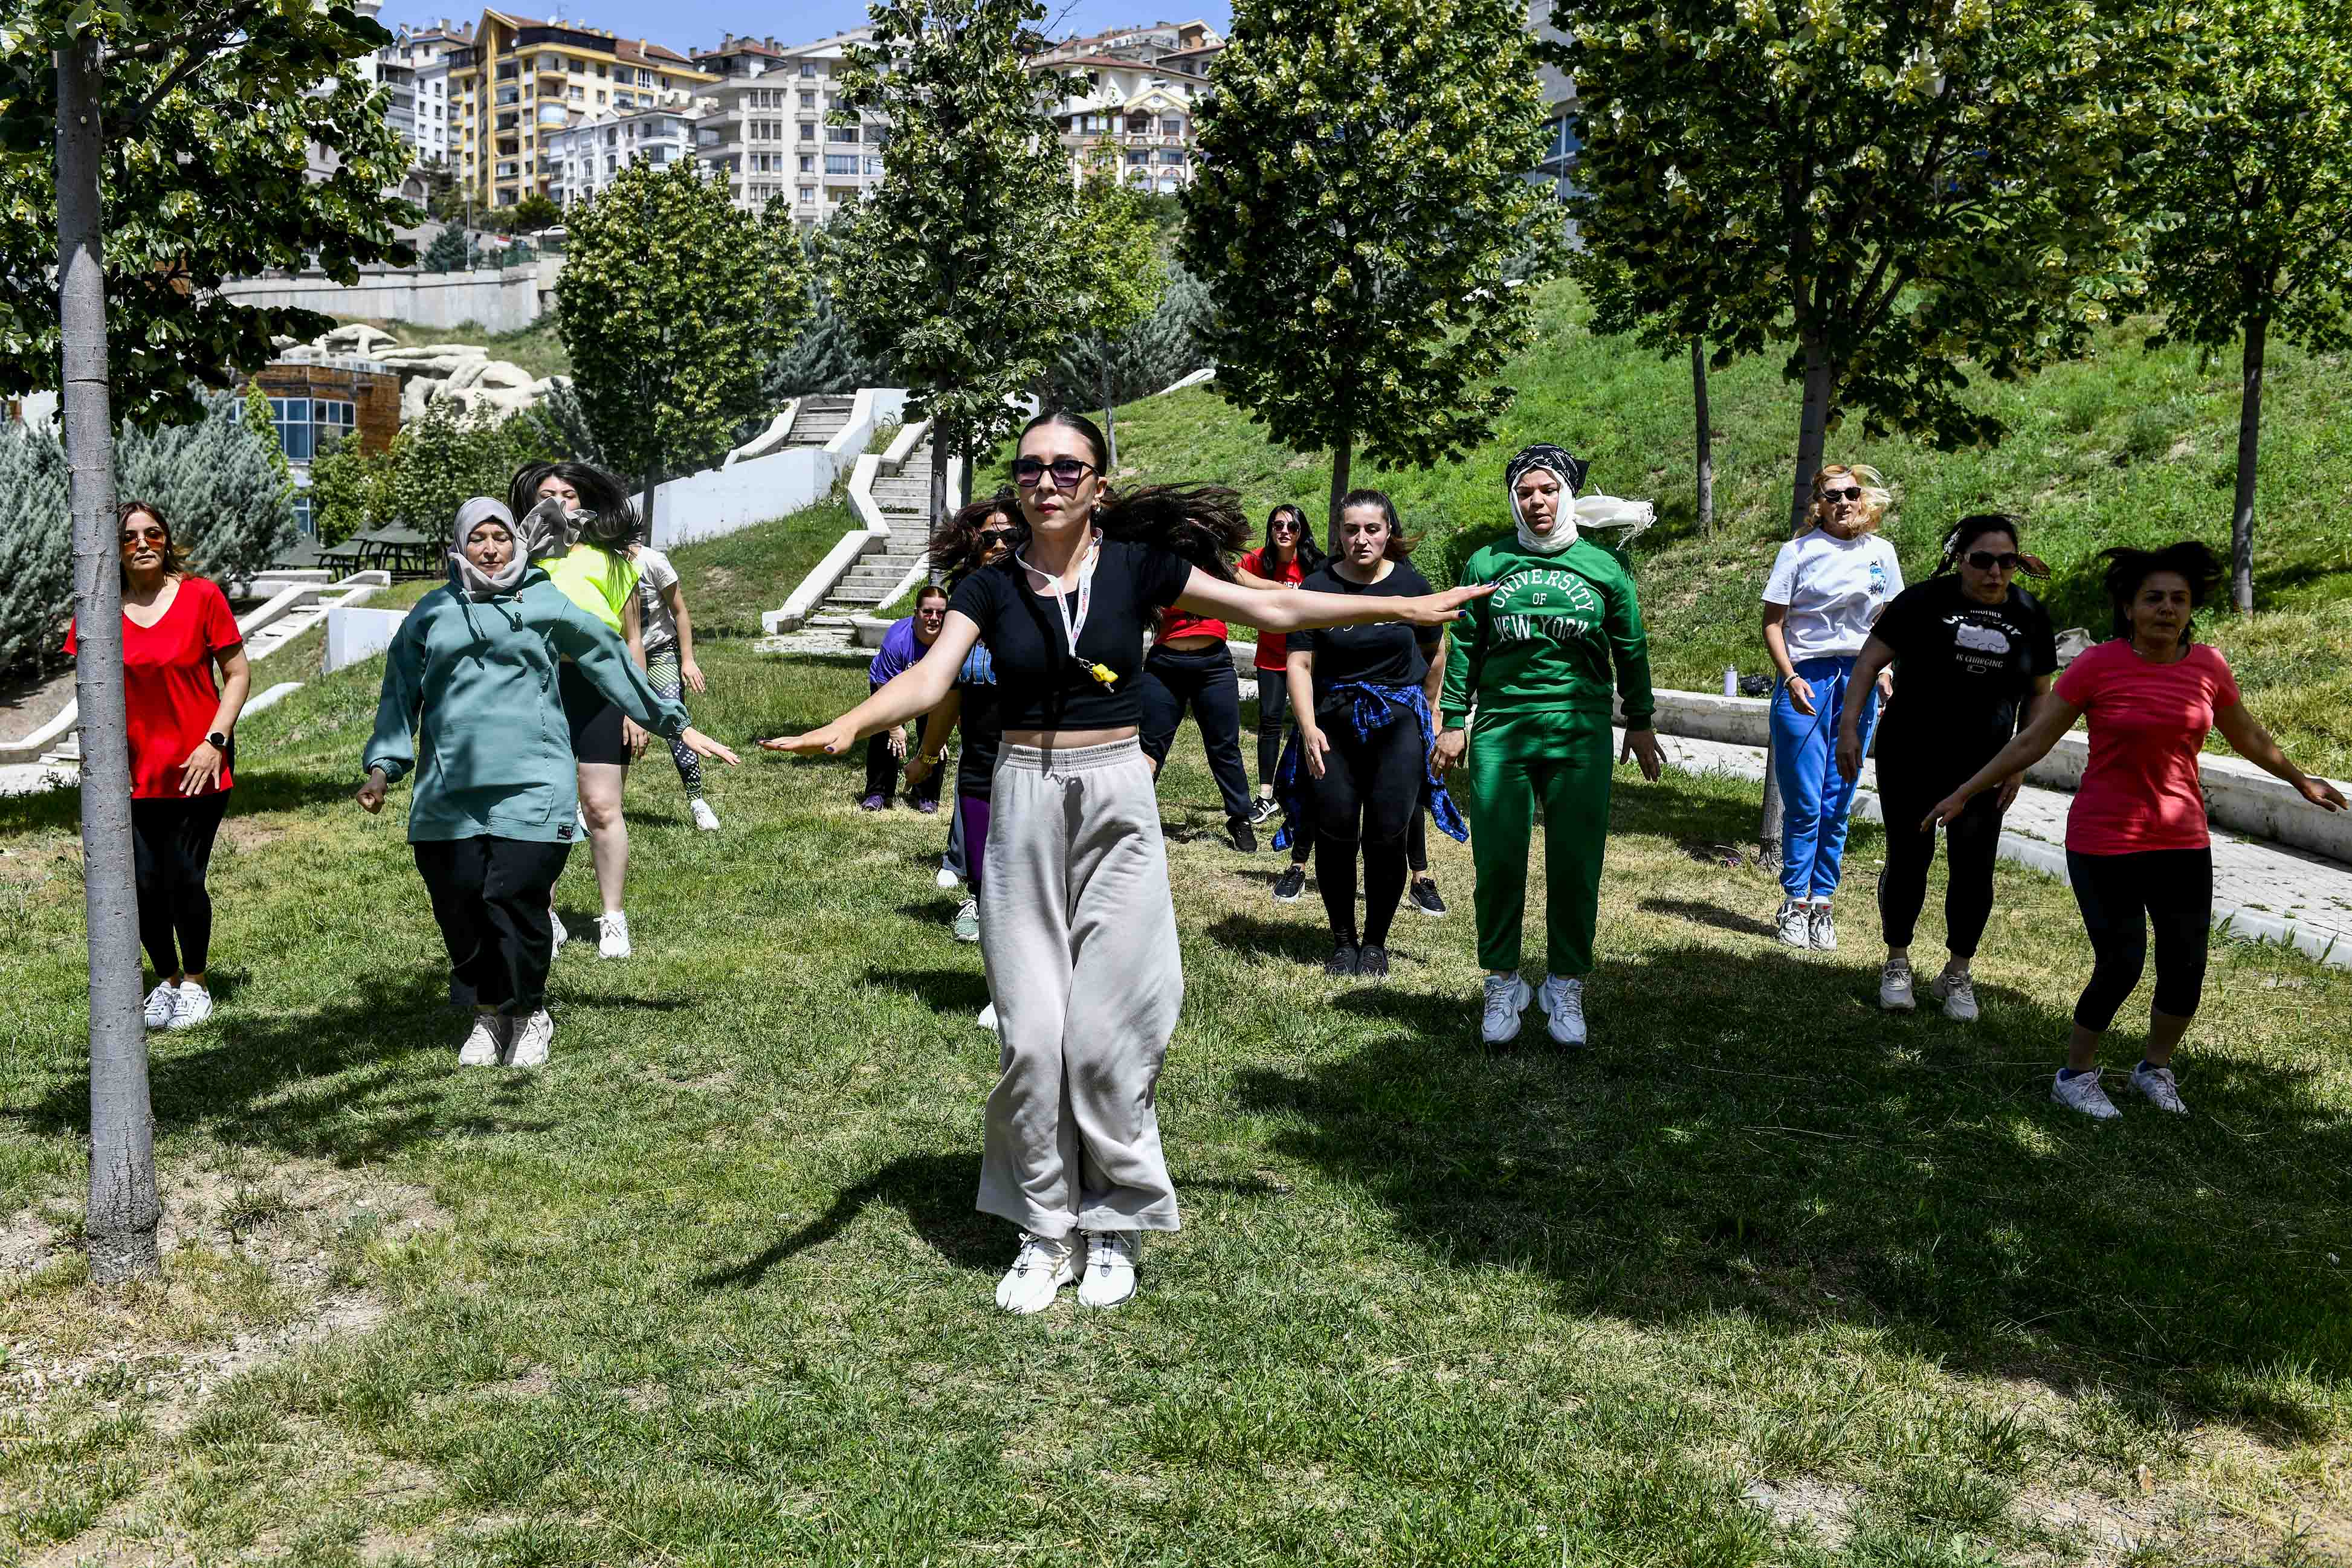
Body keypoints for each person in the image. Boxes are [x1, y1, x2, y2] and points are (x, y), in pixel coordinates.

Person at [764, 409, 1489, 1315]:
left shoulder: (1143, 569)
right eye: (1031, 468)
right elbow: (930, 676)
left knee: (1108, 1038)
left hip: (1114, 793)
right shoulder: (991, 586)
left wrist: (1402, 605)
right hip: (1024, 799)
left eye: (1068, 467)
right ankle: (1043, 1225)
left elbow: (1272, 606)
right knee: (1032, 1039)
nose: (1048, 481)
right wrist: (853, 722)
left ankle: (1112, 1219)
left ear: (1100, 483)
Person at [1928, 541, 2344, 1118]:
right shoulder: (2097, 666)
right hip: (2105, 838)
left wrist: (2302, 781)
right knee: (2121, 962)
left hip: (2182, 839)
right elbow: (2033, 740)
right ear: (2128, 607)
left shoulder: (2208, 667)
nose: (2167, 609)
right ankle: (2074, 1075)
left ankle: (2155, 1068)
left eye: (2179, 599)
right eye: (2153, 598)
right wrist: (1964, 791)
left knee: (2186, 965)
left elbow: (2247, 735)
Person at [358, 500, 738, 1066]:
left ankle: (529, 1012)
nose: (491, 549)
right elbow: (399, 692)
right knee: (459, 904)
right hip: (448, 791)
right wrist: (384, 767)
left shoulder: (541, 600)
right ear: (460, 546)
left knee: (514, 898)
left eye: (501, 537)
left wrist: (672, 721)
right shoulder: (432, 613)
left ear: (517, 542)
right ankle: (490, 1013)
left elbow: (609, 657)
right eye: (478, 539)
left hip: (532, 783)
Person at [1435, 445, 1664, 1047]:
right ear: (1514, 498)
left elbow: (1631, 646)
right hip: (1501, 730)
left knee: (1574, 861)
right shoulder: (1486, 560)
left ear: (1567, 495)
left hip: (1579, 729)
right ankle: (1503, 981)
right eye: (1526, 492)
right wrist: (1454, 718)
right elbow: (1464, 644)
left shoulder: (1604, 567)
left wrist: (1638, 721)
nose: (1538, 501)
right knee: (1499, 860)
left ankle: (1564, 983)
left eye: (1548, 490)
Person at [1838, 514, 2055, 1020]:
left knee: (1975, 867)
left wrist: (2020, 760)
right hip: (1911, 754)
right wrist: (1851, 727)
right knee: (1910, 857)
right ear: (1961, 558)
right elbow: (1869, 662)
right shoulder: (1922, 602)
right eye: (1983, 560)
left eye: (2007, 561)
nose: (1995, 572)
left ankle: (1957, 972)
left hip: (1986, 766)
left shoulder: (2030, 615)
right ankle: (1897, 960)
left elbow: (2039, 694)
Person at [65, 502, 251, 1033]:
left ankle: (196, 982)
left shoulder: (201, 597)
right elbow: (89, 691)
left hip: (200, 763)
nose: (142, 543)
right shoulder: (98, 608)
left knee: (185, 877)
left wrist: (215, 740)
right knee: (144, 884)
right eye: (128, 537)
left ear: (167, 541)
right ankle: (166, 980)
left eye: (152, 534)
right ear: (114, 546)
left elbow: (237, 674)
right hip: (130, 772)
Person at [1276, 489, 1464, 979]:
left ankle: (1376, 942)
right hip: (1332, 724)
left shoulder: (1410, 585)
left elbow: (1436, 649)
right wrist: (1307, 724)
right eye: (1352, 529)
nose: (1362, 539)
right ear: (1338, 534)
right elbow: (1298, 663)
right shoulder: (1316, 587)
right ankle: (1343, 940)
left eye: (1372, 529)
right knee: (1336, 832)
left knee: (1387, 834)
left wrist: (1431, 710)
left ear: (1388, 532)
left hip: (1397, 724)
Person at [1761, 463, 1903, 951]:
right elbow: (1773, 624)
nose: (1844, 501)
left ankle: (1823, 902)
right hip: (1807, 680)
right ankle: (1794, 903)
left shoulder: (1881, 553)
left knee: (1837, 801)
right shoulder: (1798, 552)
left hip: (1859, 679)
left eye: (1851, 492)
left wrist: (1884, 672)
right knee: (1803, 802)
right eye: (1832, 495)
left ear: (1863, 498)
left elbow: (1891, 622)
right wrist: (1791, 677)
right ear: (1817, 505)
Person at [510, 461, 648, 960]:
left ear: (583, 501)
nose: (558, 502)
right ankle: (543, 915)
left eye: (567, 493)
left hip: (599, 685)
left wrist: (636, 707)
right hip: (537, 688)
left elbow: (633, 639)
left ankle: (613, 917)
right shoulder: (518, 562)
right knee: (540, 809)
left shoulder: (611, 560)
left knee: (602, 807)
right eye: (547, 494)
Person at [907, 495, 1020, 991]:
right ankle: (977, 899)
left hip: (1032, 761)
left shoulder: (1040, 599)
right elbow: (948, 695)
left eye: (1008, 536)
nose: (998, 544)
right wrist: (927, 758)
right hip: (979, 763)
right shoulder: (964, 611)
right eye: (989, 537)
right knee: (980, 859)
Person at [1137, 580, 1258, 855]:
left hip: (1214, 665)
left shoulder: (1215, 565)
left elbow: (1256, 586)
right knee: (1149, 747)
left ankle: (1240, 818)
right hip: (1166, 665)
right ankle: (1131, 815)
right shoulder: (1161, 565)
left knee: (1224, 746)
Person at [626, 537, 721, 832]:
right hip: (617, 654)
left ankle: (697, 800)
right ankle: (595, 804)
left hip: (659, 652)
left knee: (675, 724)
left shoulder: (653, 562)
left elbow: (680, 612)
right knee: (612, 728)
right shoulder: (598, 560)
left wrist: (688, 660)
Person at [860, 587, 949, 813]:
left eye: (940, 613)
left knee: (934, 741)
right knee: (883, 733)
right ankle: (878, 792)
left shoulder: (951, 639)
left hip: (931, 689)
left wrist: (941, 731)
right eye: (928, 612)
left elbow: (953, 689)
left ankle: (926, 796)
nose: (934, 618)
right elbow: (885, 691)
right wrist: (895, 728)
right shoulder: (897, 640)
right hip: (889, 688)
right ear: (916, 612)